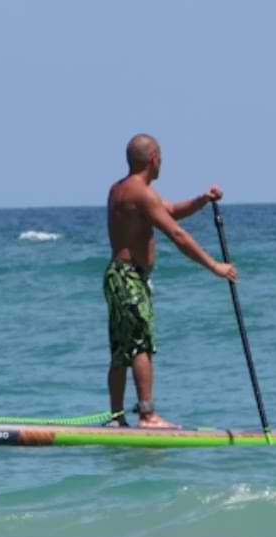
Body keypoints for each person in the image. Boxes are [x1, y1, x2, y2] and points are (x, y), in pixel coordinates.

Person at [104, 133, 237, 428]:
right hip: (130, 278)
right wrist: (214, 266)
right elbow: (177, 234)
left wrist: (202, 200)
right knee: (140, 345)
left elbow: (171, 211)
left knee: (120, 347)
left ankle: (116, 417)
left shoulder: (120, 189)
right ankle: (148, 416)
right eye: (161, 157)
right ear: (154, 160)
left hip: (116, 276)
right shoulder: (142, 193)